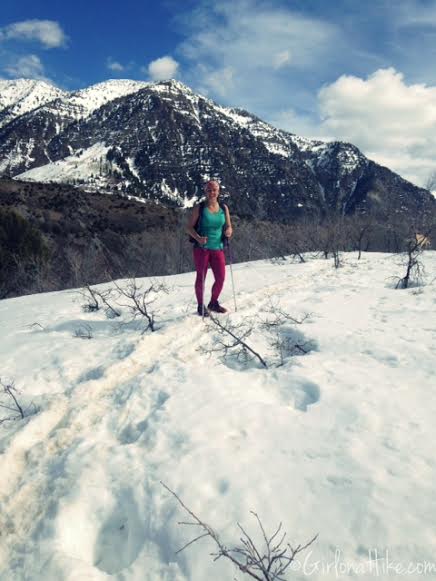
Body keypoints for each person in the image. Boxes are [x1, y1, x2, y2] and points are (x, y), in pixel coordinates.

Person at [186, 180, 233, 316]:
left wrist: (229, 231)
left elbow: (229, 226)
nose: (212, 193)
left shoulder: (224, 208)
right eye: (209, 190)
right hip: (202, 248)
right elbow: (188, 227)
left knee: (221, 278)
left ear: (219, 191)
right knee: (201, 277)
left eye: (214, 190)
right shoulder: (200, 208)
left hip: (218, 248)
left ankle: (213, 303)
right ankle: (200, 306)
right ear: (205, 192)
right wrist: (198, 238)